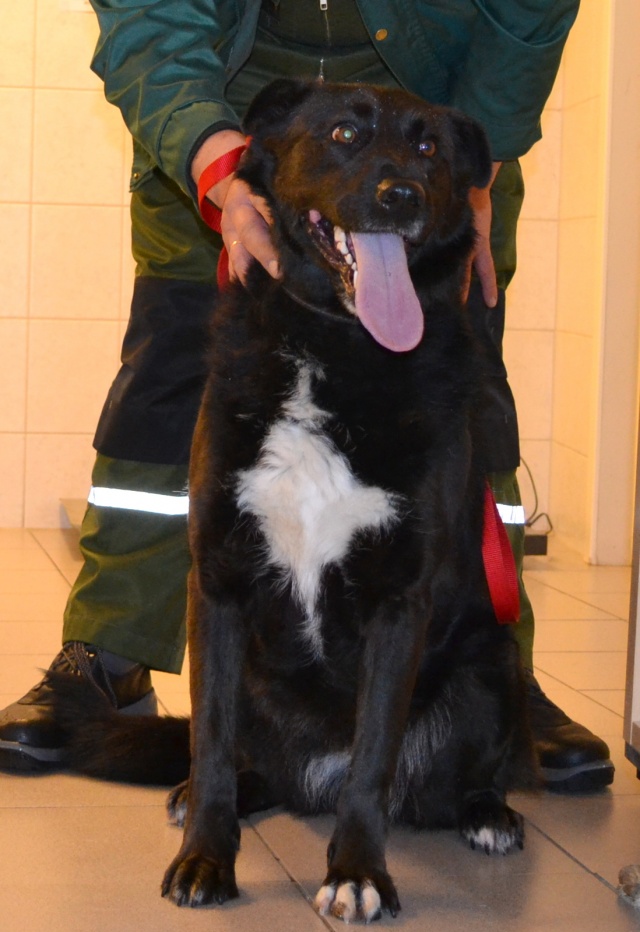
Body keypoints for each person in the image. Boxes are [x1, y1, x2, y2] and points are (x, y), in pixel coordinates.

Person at [0, 0, 614, 792]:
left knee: (460, 396)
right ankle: (109, 651)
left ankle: (491, 677)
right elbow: (151, 14)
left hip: (431, 99)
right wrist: (214, 160)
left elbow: (530, 9)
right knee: (171, 369)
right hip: (232, 83)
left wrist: (475, 166)